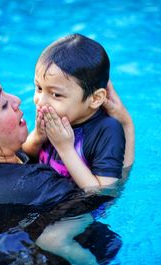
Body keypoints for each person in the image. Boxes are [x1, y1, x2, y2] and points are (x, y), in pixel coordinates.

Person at [0, 66, 133, 265]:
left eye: (6, 93)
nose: (17, 100)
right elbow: (104, 195)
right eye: (3, 104)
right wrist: (125, 125)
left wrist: (38, 137)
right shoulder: (35, 184)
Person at [23, 34, 135, 189]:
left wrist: (65, 148)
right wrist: (37, 137)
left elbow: (104, 192)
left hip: (76, 210)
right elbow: (26, 154)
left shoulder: (107, 130)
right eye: (39, 88)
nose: (40, 101)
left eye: (56, 94)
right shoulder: (53, 114)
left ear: (95, 99)